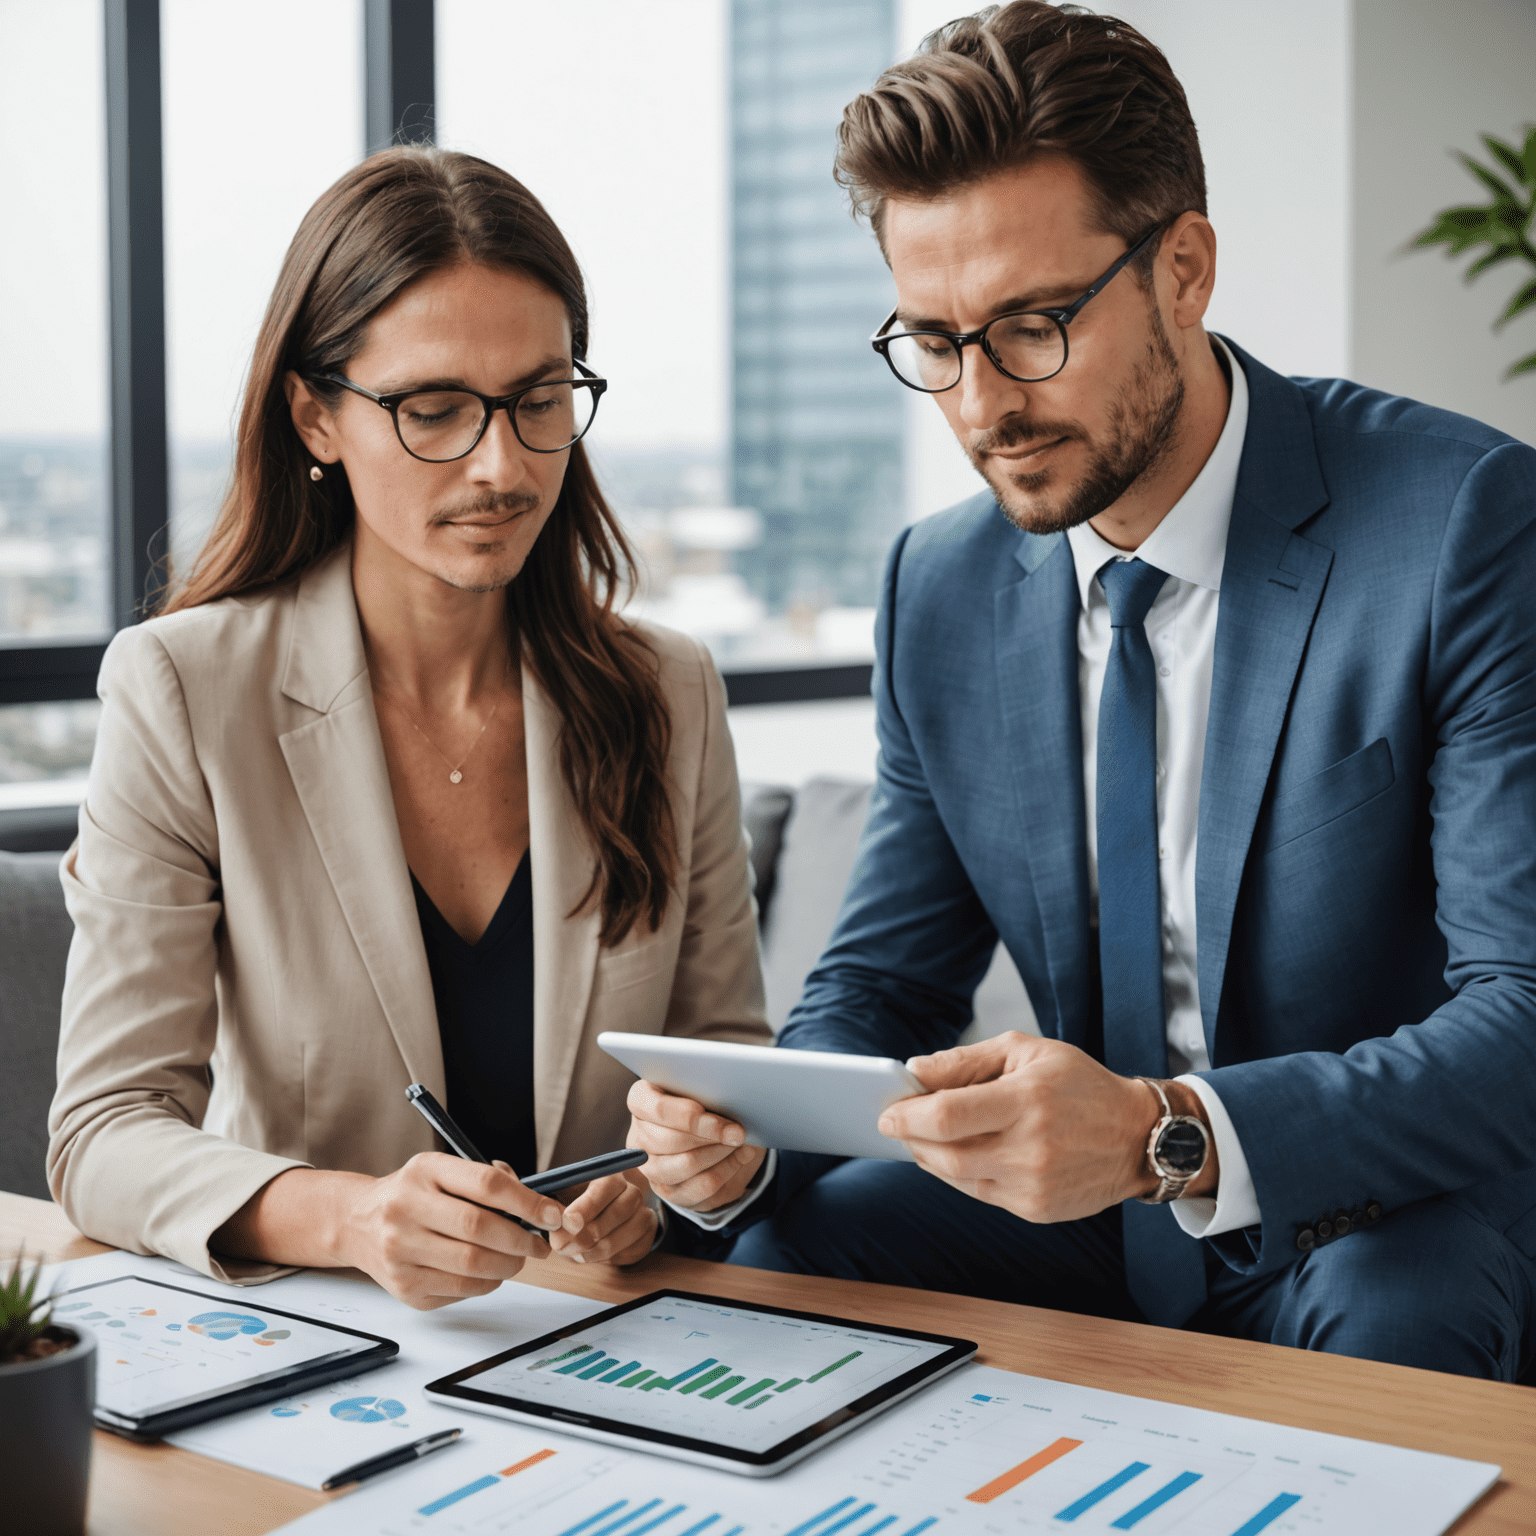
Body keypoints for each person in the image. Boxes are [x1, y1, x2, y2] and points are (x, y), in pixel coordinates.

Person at [628, 2, 1536, 1380]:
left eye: (1033, 326)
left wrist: (1167, 1130)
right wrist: (752, 1134)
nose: (983, 405)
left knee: (1392, 1336)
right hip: (1094, 1218)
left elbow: (1519, 1011)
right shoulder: (936, 585)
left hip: (1388, 1205)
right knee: (780, 1265)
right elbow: (881, 981)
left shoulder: (1462, 521)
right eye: (932, 340)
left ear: (1185, 269)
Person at [47, 147, 769, 1309]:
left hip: (604, 1346)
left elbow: (728, 1077)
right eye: (434, 411)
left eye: (540, 402)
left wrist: (694, 1177)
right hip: (322, 1342)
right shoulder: (182, 689)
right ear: (315, 417)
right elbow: (104, 1132)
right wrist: (353, 1216)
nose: (503, 464)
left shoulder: (667, 691)